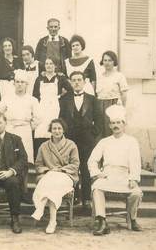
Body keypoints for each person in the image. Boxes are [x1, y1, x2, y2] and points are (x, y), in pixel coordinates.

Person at [88, 105, 143, 235]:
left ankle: (132, 218)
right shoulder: (104, 141)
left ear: (124, 125)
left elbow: (136, 162)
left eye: (118, 122)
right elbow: (92, 160)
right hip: (107, 175)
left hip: (124, 175)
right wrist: (96, 173)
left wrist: (133, 178)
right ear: (110, 126)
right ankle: (101, 220)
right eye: (113, 123)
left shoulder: (131, 141)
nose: (115, 125)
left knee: (136, 192)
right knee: (97, 188)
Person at [59, 71, 103, 206]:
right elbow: (61, 119)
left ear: (84, 82)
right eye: (74, 80)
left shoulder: (92, 99)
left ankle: (86, 199)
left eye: (79, 80)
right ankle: (73, 198)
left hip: (87, 141)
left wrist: (92, 134)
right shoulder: (64, 99)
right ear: (70, 83)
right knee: (71, 168)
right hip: (70, 140)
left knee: (85, 168)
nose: (77, 82)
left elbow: (99, 120)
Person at [31, 118, 79, 234]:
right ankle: (53, 221)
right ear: (50, 130)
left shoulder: (71, 145)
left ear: (63, 130)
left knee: (53, 181)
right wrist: (48, 170)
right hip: (48, 175)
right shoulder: (44, 146)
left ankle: (41, 208)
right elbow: (38, 164)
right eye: (54, 129)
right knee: (52, 182)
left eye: (59, 128)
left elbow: (75, 164)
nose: (57, 131)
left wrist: (60, 170)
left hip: (66, 175)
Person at [0, 70, 40, 165]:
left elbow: (37, 118)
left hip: (25, 130)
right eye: (17, 82)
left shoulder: (32, 100)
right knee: (8, 158)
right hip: (10, 129)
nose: (19, 84)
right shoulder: (7, 98)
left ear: (26, 84)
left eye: (22, 82)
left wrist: (28, 127)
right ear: (14, 83)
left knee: (23, 158)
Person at [33, 58, 72, 158]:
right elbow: (35, 95)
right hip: (42, 107)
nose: (49, 65)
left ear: (55, 66)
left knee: (53, 130)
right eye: (47, 64)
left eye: (51, 63)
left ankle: (54, 157)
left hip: (55, 108)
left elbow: (70, 91)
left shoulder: (60, 78)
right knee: (41, 131)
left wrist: (61, 97)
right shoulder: (39, 79)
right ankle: (41, 157)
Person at [96, 51, 128, 137]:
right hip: (100, 105)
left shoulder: (119, 76)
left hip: (113, 104)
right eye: (105, 60)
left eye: (110, 60)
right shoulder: (99, 77)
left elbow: (124, 94)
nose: (107, 63)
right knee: (100, 131)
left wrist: (122, 110)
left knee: (113, 130)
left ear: (114, 62)